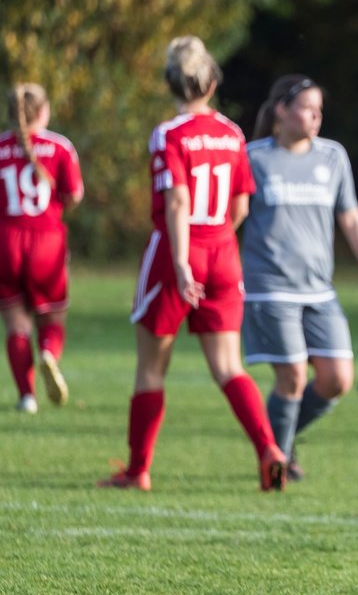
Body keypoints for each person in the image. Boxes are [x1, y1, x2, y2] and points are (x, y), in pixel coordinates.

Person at [99, 35, 287, 493]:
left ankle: (138, 469)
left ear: (170, 83)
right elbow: (241, 204)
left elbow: (178, 199)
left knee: (150, 368)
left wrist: (182, 262)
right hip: (223, 251)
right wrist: (216, 240)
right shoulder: (233, 133)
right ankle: (268, 448)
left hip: (175, 253)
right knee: (229, 366)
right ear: (213, 81)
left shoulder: (169, 134)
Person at [243, 75, 358, 481]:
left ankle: (276, 443)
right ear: (282, 112)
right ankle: (276, 464)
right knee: (291, 378)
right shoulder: (253, 158)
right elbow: (231, 218)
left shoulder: (332, 156)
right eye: (307, 108)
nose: (315, 116)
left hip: (319, 291)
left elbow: (351, 218)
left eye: (319, 109)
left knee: (337, 379)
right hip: (269, 289)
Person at [0, 83, 83, 413]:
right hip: (47, 241)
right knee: (53, 315)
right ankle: (49, 351)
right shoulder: (60, 147)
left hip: (6, 241)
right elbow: (74, 194)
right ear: (44, 111)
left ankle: (26, 397)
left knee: (16, 323)